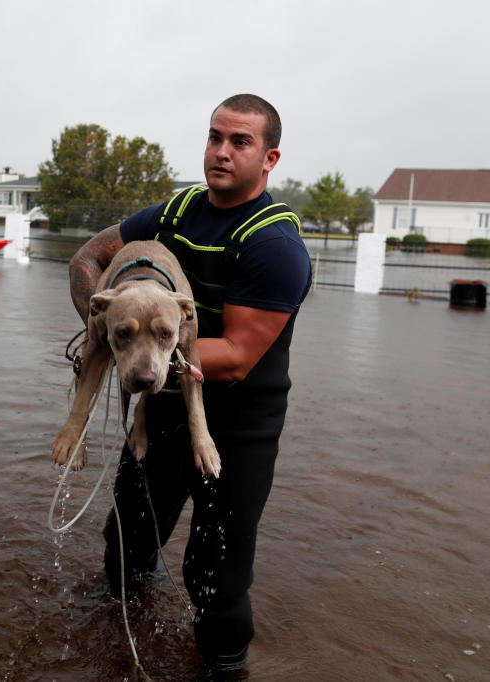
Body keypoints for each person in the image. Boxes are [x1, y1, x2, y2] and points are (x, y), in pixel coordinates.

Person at [62, 94, 311, 671]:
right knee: (125, 544)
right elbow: (88, 258)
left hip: (238, 421)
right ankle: (118, 647)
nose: (221, 152)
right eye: (214, 136)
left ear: (269, 158)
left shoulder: (276, 244)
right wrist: (109, 334)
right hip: (161, 403)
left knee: (216, 576)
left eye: (240, 142)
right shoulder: (174, 214)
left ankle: (225, 666)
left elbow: (238, 355)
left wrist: (138, 357)